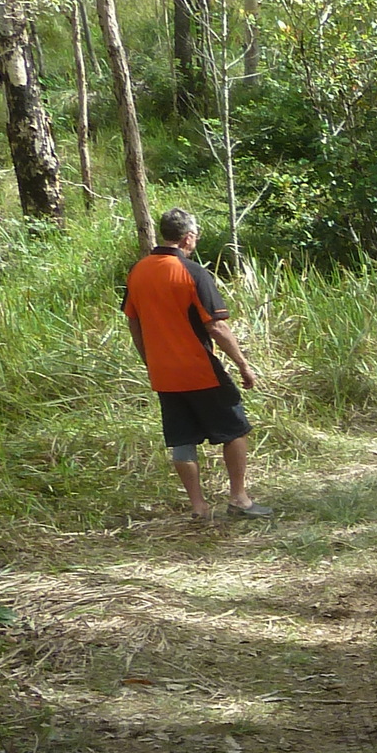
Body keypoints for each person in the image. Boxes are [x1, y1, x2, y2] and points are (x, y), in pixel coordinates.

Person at [121, 208, 272, 520]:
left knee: (182, 439)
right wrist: (243, 364)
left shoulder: (137, 272)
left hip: (163, 373)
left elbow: (133, 323)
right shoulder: (192, 272)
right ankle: (239, 499)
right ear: (188, 237)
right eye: (196, 236)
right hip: (198, 368)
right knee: (235, 429)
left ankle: (199, 508)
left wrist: (149, 360)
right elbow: (216, 327)